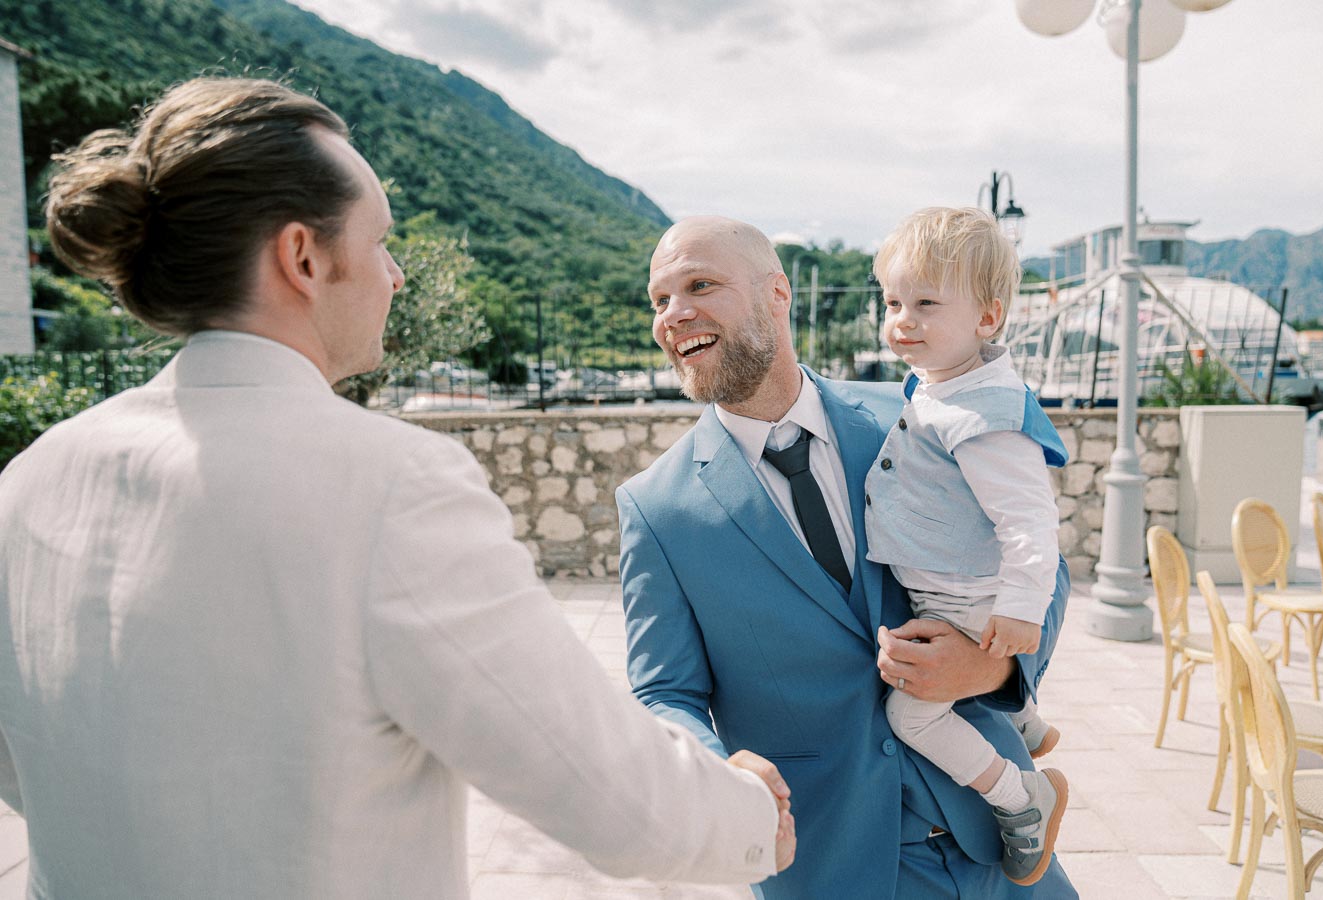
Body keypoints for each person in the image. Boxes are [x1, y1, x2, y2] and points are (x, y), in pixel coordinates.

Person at [0, 78, 795, 899]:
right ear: (303, 257)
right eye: (380, 242)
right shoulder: (391, 486)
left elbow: (20, 769)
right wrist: (747, 815)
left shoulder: (31, 478)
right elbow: (617, 800)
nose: (397, 275)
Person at [618, 215, 1077, 899]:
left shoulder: (920, 414)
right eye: (660, 300)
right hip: (830, 861)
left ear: (778, 293)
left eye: (699, 285)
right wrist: (717, 770)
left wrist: (996, 664)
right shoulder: (657, 508)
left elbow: (1043, 565)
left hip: (1002, 848)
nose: (673, 314)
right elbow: (663, 692)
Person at [864, 207, 1069, 886]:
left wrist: (1022, 611)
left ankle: (1020, 797)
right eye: (893, 302)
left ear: (988, 318)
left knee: (911, 717)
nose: (903, 319)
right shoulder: (945, 385)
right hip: (949, 589)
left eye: (926, 303)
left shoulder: (985, 414)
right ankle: (1026, 720)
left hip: (968, 597)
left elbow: (1029, 520)